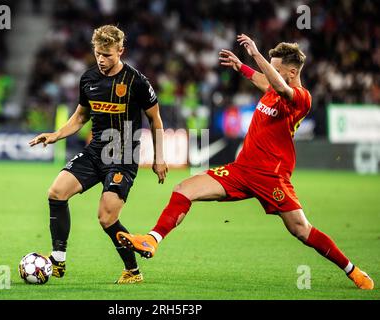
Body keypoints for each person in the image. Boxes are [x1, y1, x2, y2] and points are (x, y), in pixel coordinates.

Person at [117, 34, 374, 290]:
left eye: (275, 68)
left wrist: (255, 55)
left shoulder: (301, 98)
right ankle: (152, 239)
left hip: (271, 177)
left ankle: (352, 270)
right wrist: (242, 67)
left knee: (301, 230)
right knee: (184, 189)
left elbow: (282, 88)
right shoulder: (272, 90)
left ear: (292, 72)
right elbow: (265, 81)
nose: (270, 72)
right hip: (241, 171)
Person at [29, 25, 168, 284]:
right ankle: (58, 259)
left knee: (106, 217)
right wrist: (56, 134)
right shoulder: (89, 79)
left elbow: (156, 119)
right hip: (95, 153)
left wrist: (160, 158)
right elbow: (81, 116)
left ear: (120, 51)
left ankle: (133, 271)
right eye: (98, 54)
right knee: (56, 193)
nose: (102, 60)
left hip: (123, 158)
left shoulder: (136, 81)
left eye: (108, 55)